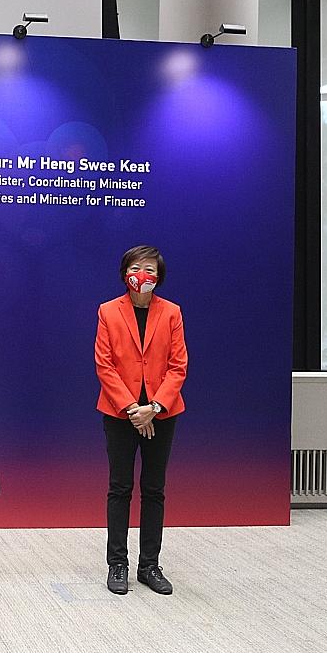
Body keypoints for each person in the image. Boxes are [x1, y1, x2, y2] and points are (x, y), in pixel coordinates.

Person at [93, 245, 188, 596]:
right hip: (120, 413)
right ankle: (117, 563)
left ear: (158, 276)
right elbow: (104, 365)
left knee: (154, 489)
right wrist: (134, 409)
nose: (142, 274)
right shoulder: (108, 311)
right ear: (124, 274)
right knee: (120, 488)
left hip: (162, 414)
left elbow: (178, 366)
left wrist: (155, 407)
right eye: (135, 268)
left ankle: (149, 565)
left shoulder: (172, 312)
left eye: (149, 269)